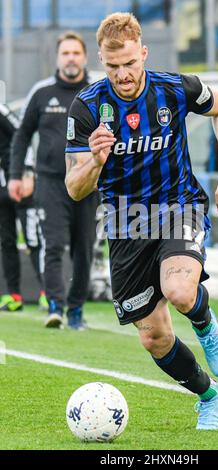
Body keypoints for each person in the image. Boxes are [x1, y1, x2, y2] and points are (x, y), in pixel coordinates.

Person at [64, 13, 218, 430]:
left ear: (143, 53)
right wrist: (95, 159)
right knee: (154, 337)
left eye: (130, 63)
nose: (123, 74)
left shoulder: (176, 88)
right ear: (101, 62)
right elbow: (74, 188)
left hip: (178, 205)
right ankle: (210, 396)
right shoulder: (88, 108)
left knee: (179, 290)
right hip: (127, 222)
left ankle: (202, 319)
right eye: (113, 67)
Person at [9, 32, 100, 329]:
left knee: (84, 249)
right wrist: (15, 175)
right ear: (58, 58)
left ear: (84, 57)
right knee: (54, 245)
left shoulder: (98, 91)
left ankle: (75, 311)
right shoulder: (42, 92)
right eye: (66, 53)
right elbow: (22, 135)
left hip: (88, 184)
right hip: (50, 182)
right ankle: (56, 308)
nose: (71, 58)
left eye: (76, 53)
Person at [0, 103, 46, 311]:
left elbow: (22, 134)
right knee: (6, 241)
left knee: (32, 238)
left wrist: (25, 171)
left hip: (18, 183)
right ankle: (14, 295)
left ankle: (48, 292)